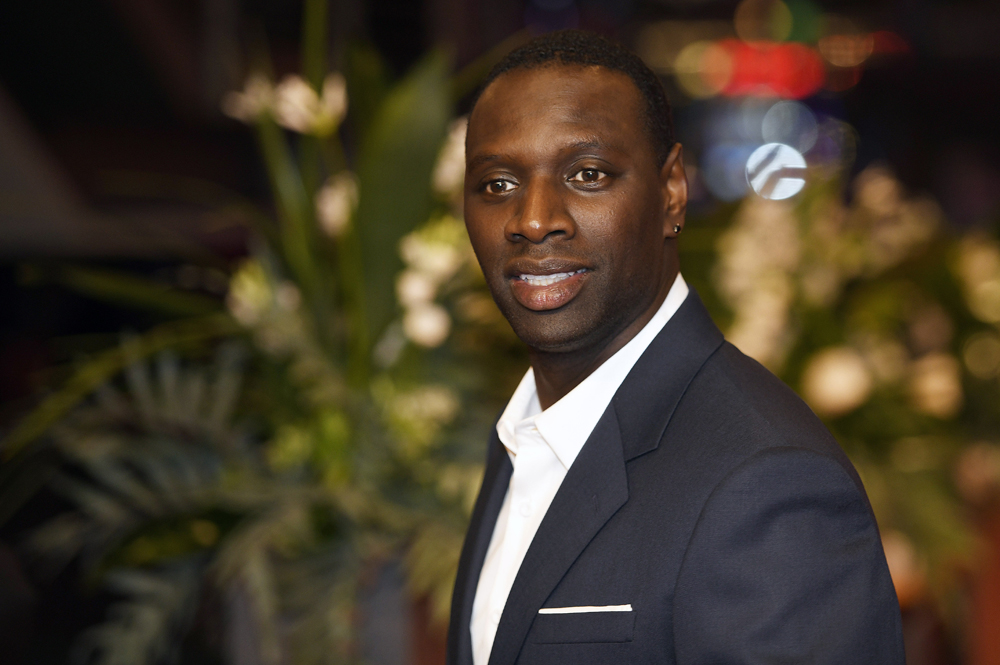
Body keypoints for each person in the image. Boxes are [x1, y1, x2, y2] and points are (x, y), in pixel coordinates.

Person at [447, 30, 905, 665]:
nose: (532, 217)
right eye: (498, 184)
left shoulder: (768, 482)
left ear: (671, 193)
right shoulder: (521, 438)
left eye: (587, 174)